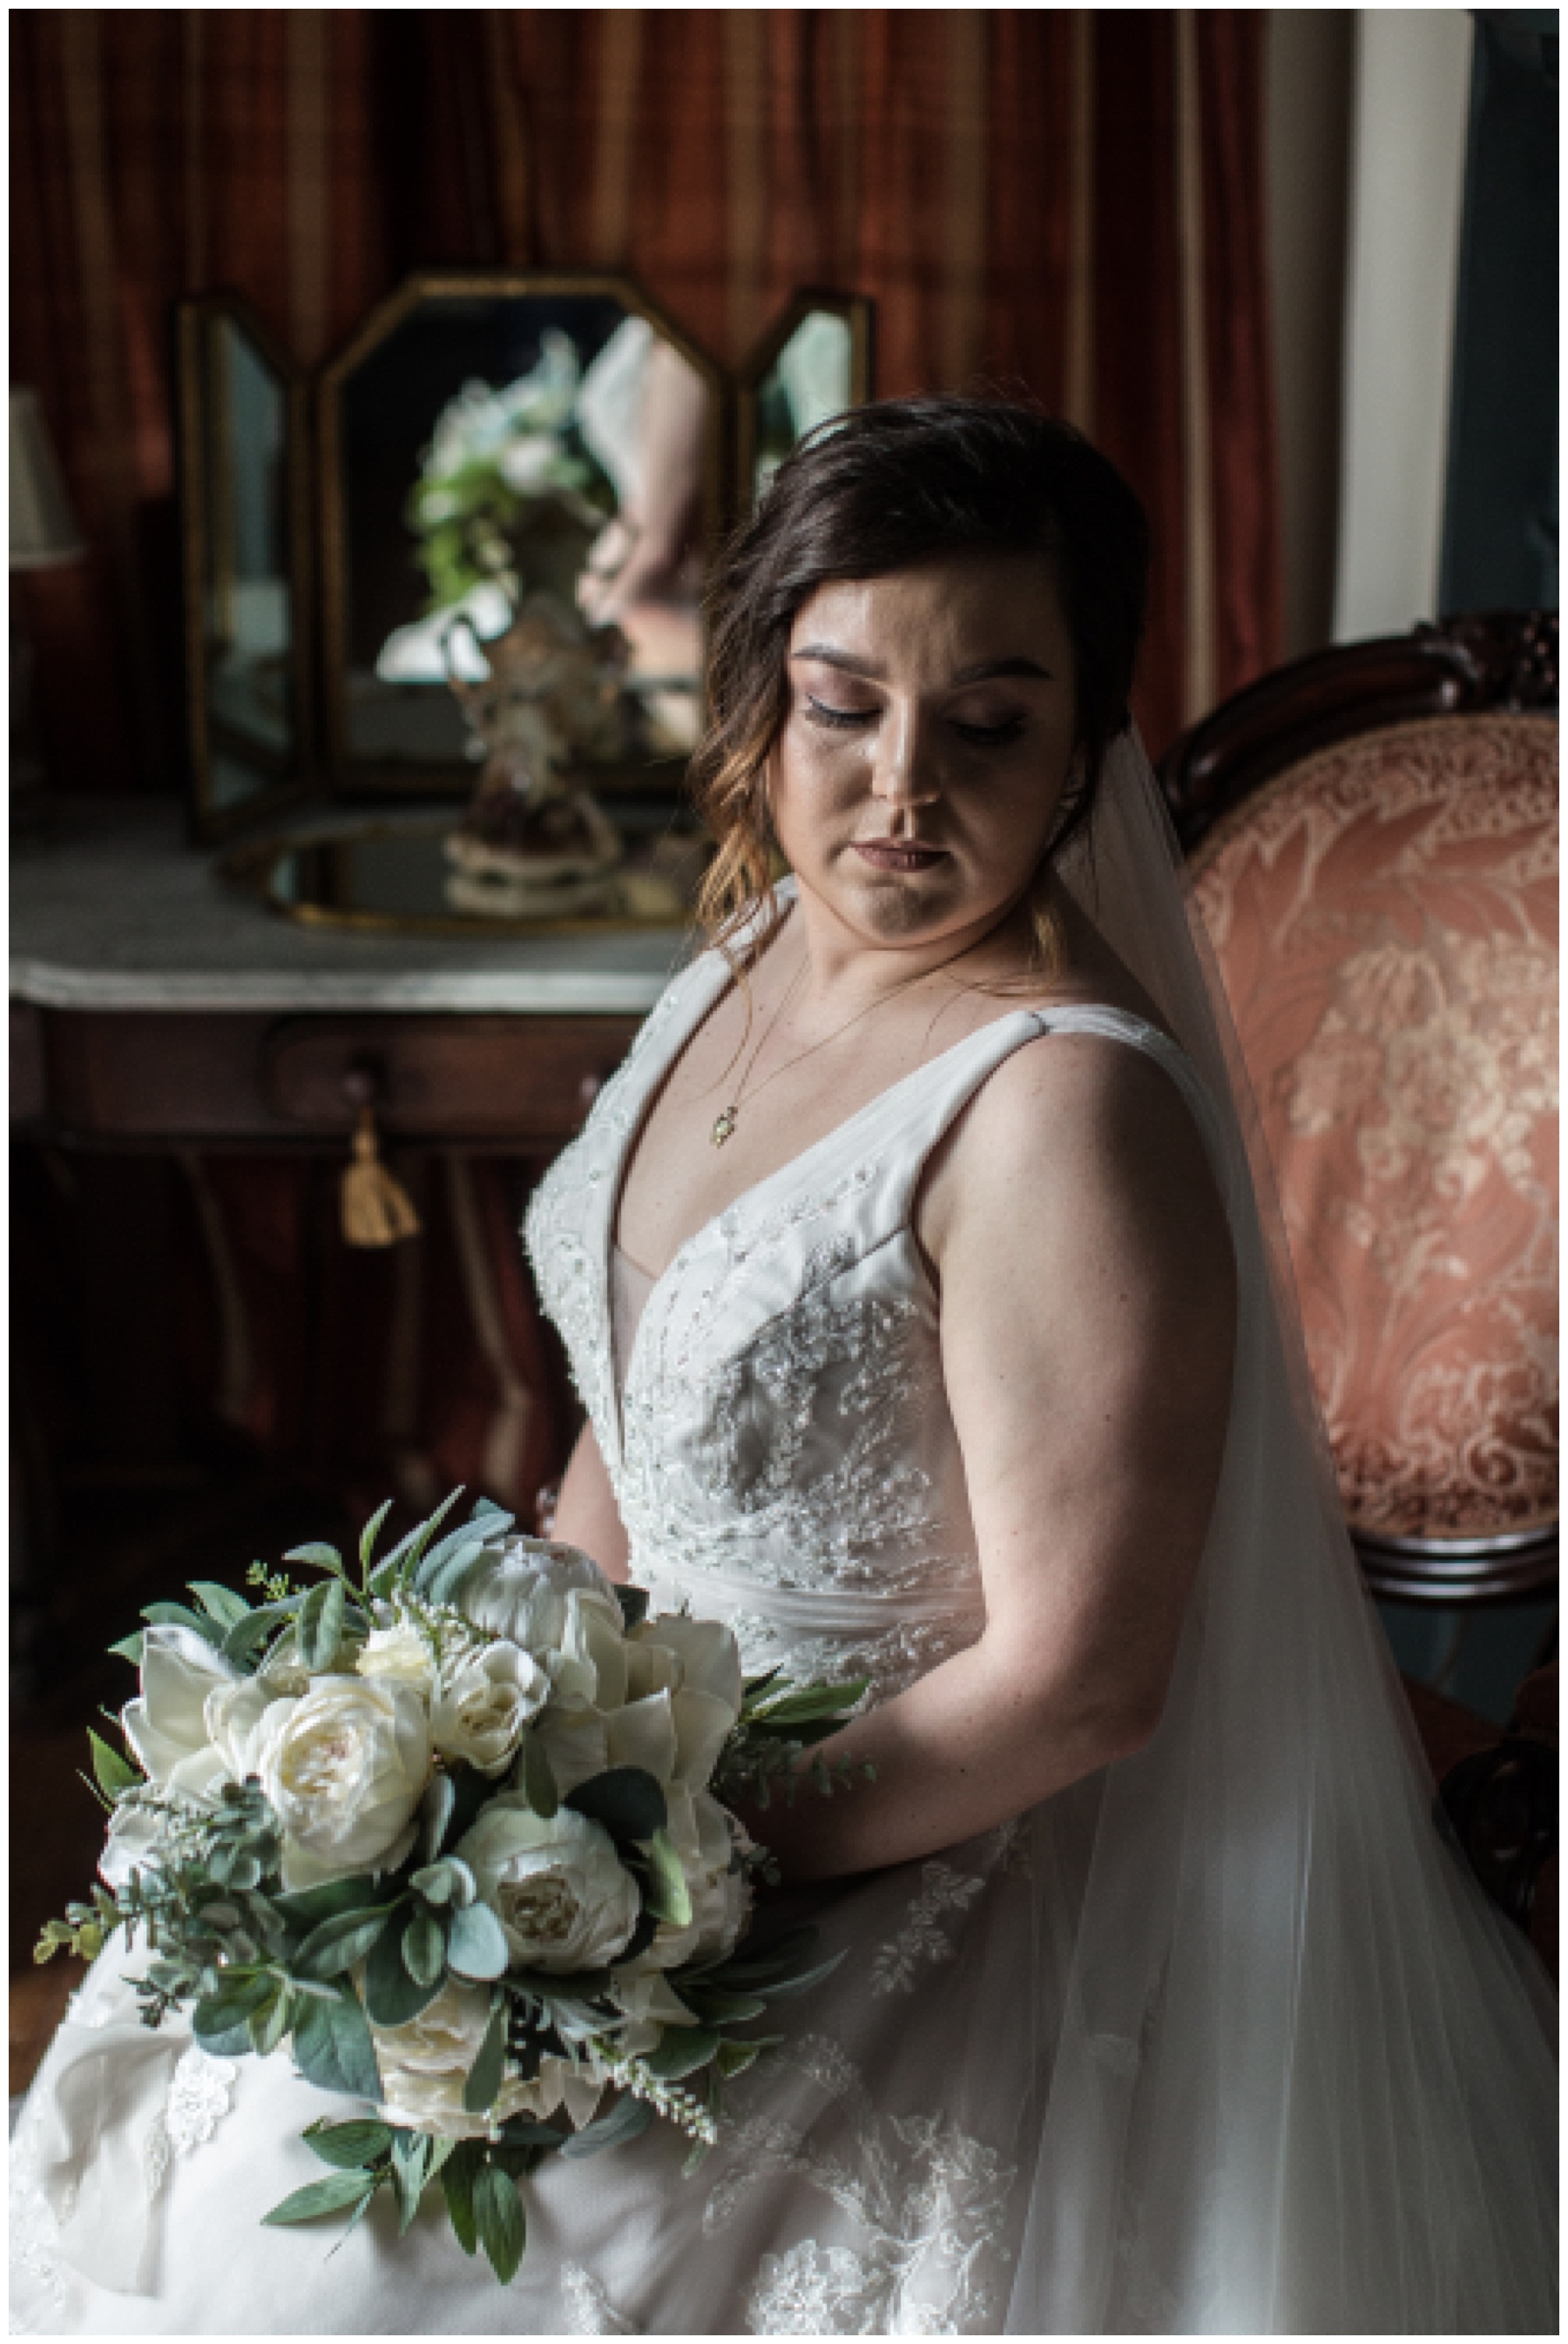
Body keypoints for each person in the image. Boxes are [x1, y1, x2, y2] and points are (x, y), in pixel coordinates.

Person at [10, 400, 1554, 2336]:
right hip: (616, 1777)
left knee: (360, 2275)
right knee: (219, 2108)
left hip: (886, 1842)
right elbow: (634, 1417)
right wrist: (470, 1724)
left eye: (990, 724)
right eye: (845, 705)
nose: (904, 787)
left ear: (1086, 740)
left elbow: (1086, 1680)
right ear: (758, 698)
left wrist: (659, 1862)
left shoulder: (1060, 1103)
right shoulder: (756, 946)